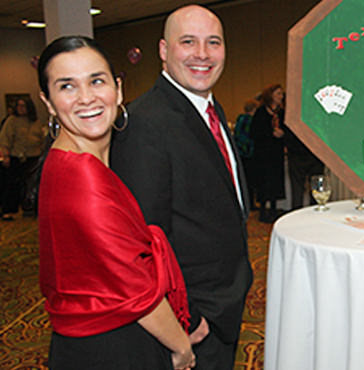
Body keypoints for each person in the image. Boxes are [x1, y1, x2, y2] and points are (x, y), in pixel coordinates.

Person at [36, 36, 194, 369]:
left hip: (91, 340)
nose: (86, 98)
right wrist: (182, 347)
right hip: (113, 347)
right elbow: (136, 290)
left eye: (96, 80)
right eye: (67, 86)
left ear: (118, 89)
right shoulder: (82, 177)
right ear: (48, 102)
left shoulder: (69, 160)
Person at [110, 5, 253, 369]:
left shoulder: (210, 108)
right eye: (188, 42)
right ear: (163, 50)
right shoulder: (143, 123)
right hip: (192, 323)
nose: (202, 54)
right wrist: (185, 319)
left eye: (213, 42)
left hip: (223, 306)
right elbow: (143, 240)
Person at [0, 97, 46, 219]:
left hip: (33, 157)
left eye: (23, 106)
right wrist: (5, 155)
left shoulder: (35, 122)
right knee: (12, 185)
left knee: (31, 186)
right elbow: (5, 139)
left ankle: (30, 210)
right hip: (16, 157)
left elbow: (41, 139)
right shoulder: (12, 121)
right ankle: (8, 210)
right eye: (19, 106)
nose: (20, 108)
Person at [251, 84, 286, 222]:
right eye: (278, 94)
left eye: (281, 94)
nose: (281, 96)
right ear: (270, 95)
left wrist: (282, 134)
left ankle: (273, 209)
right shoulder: (261, 112)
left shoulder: (281, 113)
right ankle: (263, 211)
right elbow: (254, 132)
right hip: (263, 155)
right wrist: (271, 134)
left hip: (276, 154)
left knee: (275, 181)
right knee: (264, 182)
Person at [233, 98, 259, 210]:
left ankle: (249, 204)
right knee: (251, 181)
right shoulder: (250, 120)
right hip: (249, 153)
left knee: (246, 181)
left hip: (241, 154)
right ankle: (251, 204)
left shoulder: (240, 119)